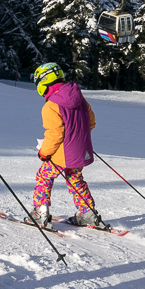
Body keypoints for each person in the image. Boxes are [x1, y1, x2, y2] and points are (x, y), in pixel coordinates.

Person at [26, 62, 109, 231]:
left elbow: (55, 134)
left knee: (44, 177)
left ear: (43, 82)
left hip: (61, 153)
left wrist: (44, 152)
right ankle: (88, 213)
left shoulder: (51, 105)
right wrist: (77, 139)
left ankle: (41, 213)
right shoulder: (79, 98)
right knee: (75, 179)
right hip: (81, 150)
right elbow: (90, 121)